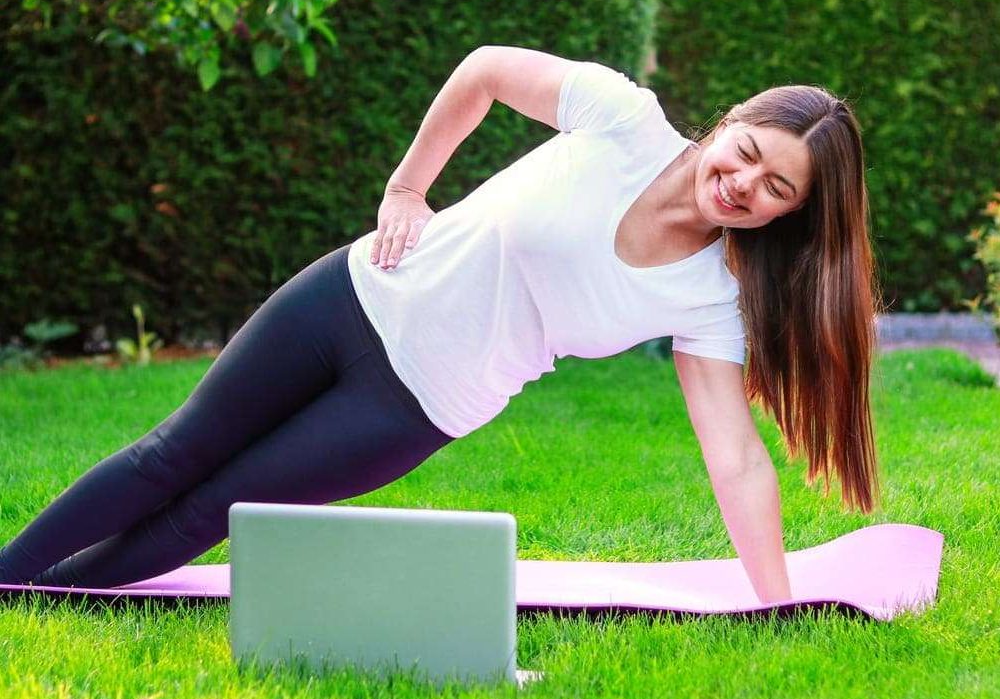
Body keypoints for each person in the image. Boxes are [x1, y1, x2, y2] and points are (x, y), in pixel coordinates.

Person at [0, 46, 881, 604]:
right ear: (732, 123)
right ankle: (9, 573)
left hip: (414, 408)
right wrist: (407, 186)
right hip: (353, 297)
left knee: (208, 512)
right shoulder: (623, 119)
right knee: (170, 456)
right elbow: (487, 70)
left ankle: (38, 600)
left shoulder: (710, 296)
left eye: (777, 191)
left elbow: (734, 453)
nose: (745, 185)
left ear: (790, 216)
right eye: (751, 154)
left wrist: (778, 603)